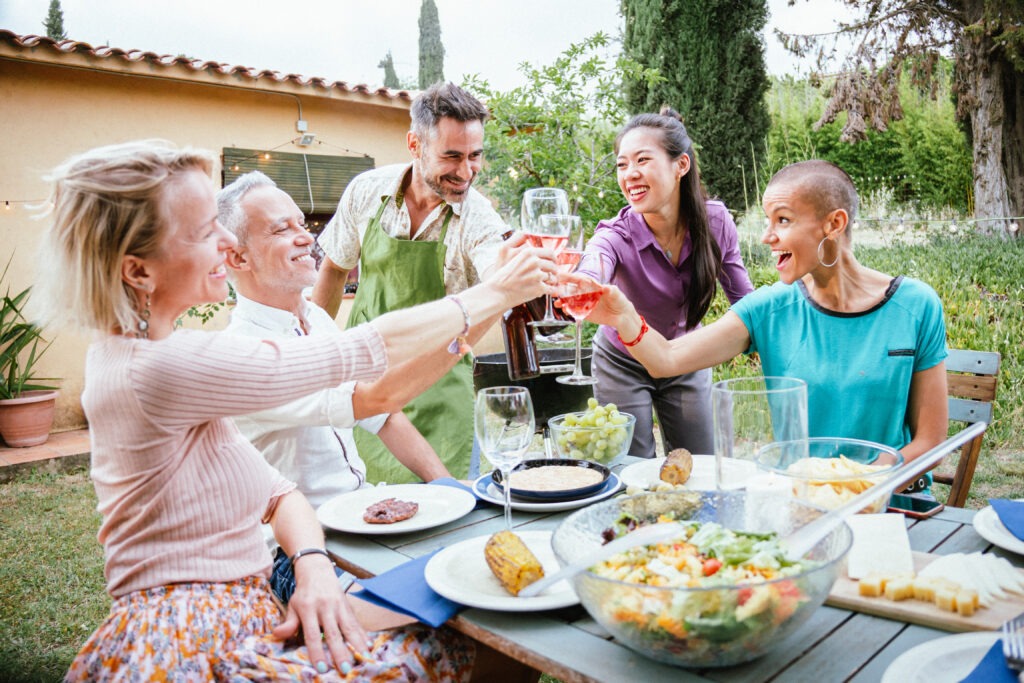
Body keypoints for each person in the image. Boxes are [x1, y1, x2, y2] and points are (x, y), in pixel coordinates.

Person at [33, 140, 554, 681]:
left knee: (483, 603)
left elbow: (279, 492)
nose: (226, 242)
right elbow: (365, 356)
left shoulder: (154, 358)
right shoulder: (164, 367)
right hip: (188, 634)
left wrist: (312, 565)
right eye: (204, 230)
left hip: (253, 599)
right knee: (485, 638)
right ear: (139, 272)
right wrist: (494, 292)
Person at [584, 159, 949, 472]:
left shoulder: (916, 306)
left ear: (834, 224)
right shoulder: (769, 308)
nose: (766, 237)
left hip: (893, 507)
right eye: (767, 221)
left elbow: (930, 441)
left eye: (783, 220)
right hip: (800, 503)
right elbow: (666, 359)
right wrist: (622, 314)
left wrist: (855, 481)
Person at [217, 171, 470, 602]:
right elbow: (374, 398)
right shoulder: (242, 352)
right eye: (282, 229)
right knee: (444, 609)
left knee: (474, 572)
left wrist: (447, 486)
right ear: (237, 258)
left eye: (302, 223)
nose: (305, 237)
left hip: (361, 517)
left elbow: (384, 417)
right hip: (298, 551)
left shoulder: (315, 318)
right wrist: (469, 321)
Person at [312, 82, 508, 483]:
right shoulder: (367, 192)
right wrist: (315, 355)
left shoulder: (479, 219)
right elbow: (333, 269)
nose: (466, 171)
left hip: (437, 391)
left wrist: (515, 275)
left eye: (475, 156)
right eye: (451, 156)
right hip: (363, 387)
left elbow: (499, 284)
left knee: (447, 515)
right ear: (414, 144)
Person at [582, 108, 754, 458]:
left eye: (642, 160)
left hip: (686, 358)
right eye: (621, 164)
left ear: (681, 166)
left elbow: (744, 300)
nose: (630, 174)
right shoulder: (615, 234)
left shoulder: (716, 222)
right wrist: (582, 281)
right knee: (633, 471)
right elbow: (594, 264)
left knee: (703, 463)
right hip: (621, 362)